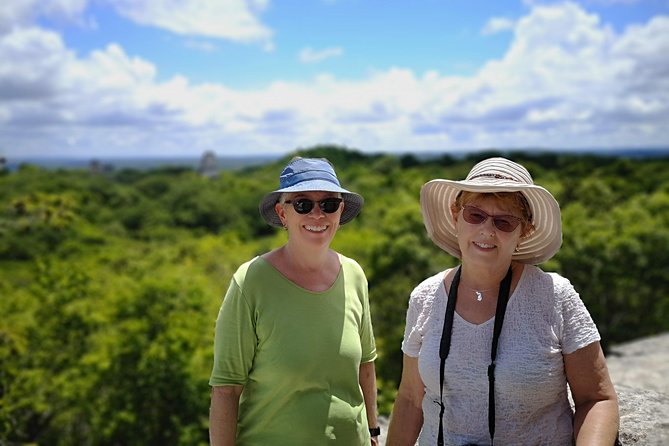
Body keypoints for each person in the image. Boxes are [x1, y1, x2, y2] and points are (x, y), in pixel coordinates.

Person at [386, 157, 619, 445]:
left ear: (525, 231)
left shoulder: (554, 297)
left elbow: (596, 398)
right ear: (455, 215)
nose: (487, 230)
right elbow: (410, 398)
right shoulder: (426, 297)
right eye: (475, 215)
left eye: (504, 221)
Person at [209, 157, 380, 445]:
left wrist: (374, 430)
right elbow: (227, 389)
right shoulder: (250, 282)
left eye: (328, 204)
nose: (317, 215)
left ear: (340, 211)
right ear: (283, 213)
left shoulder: (354, 275)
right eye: (302, 204)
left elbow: (365, 364)